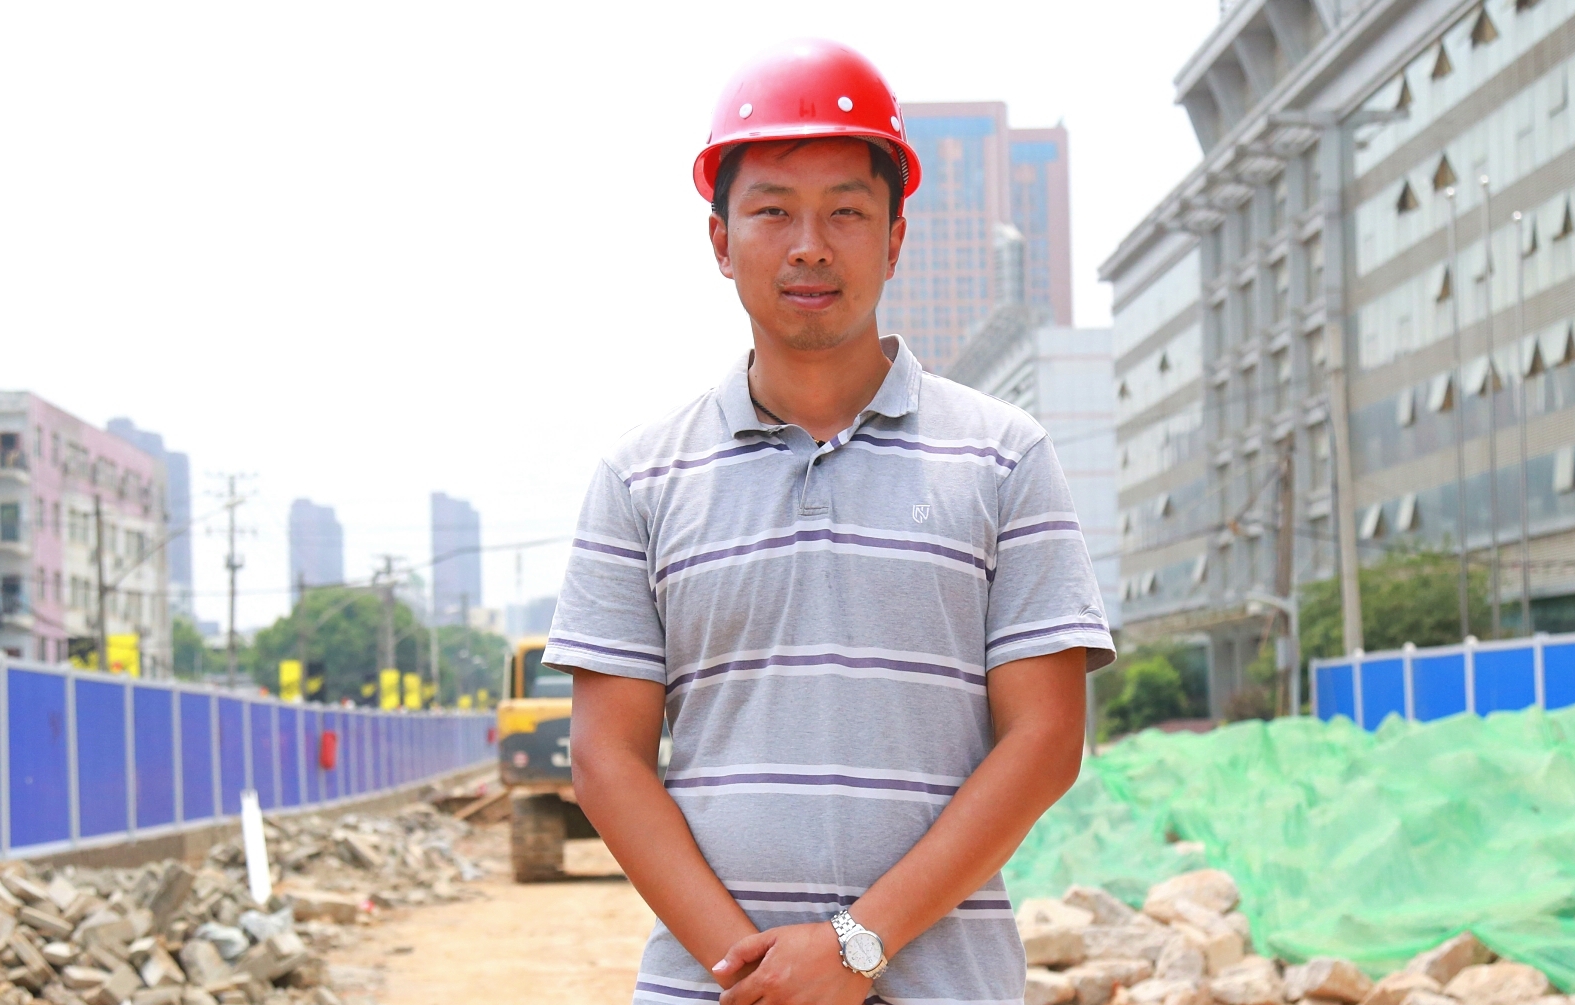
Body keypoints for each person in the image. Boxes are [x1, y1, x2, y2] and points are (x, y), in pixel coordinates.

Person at [544, 38, 1114, 1005]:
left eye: (846, 211)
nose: (809, 245)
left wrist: (854, 947)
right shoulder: (640, 478)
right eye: (772, 210)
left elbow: (1046, 737)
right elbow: (607, 761)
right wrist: (759, 976)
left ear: (893, 239)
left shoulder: (1003, 457)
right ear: (720, 240)